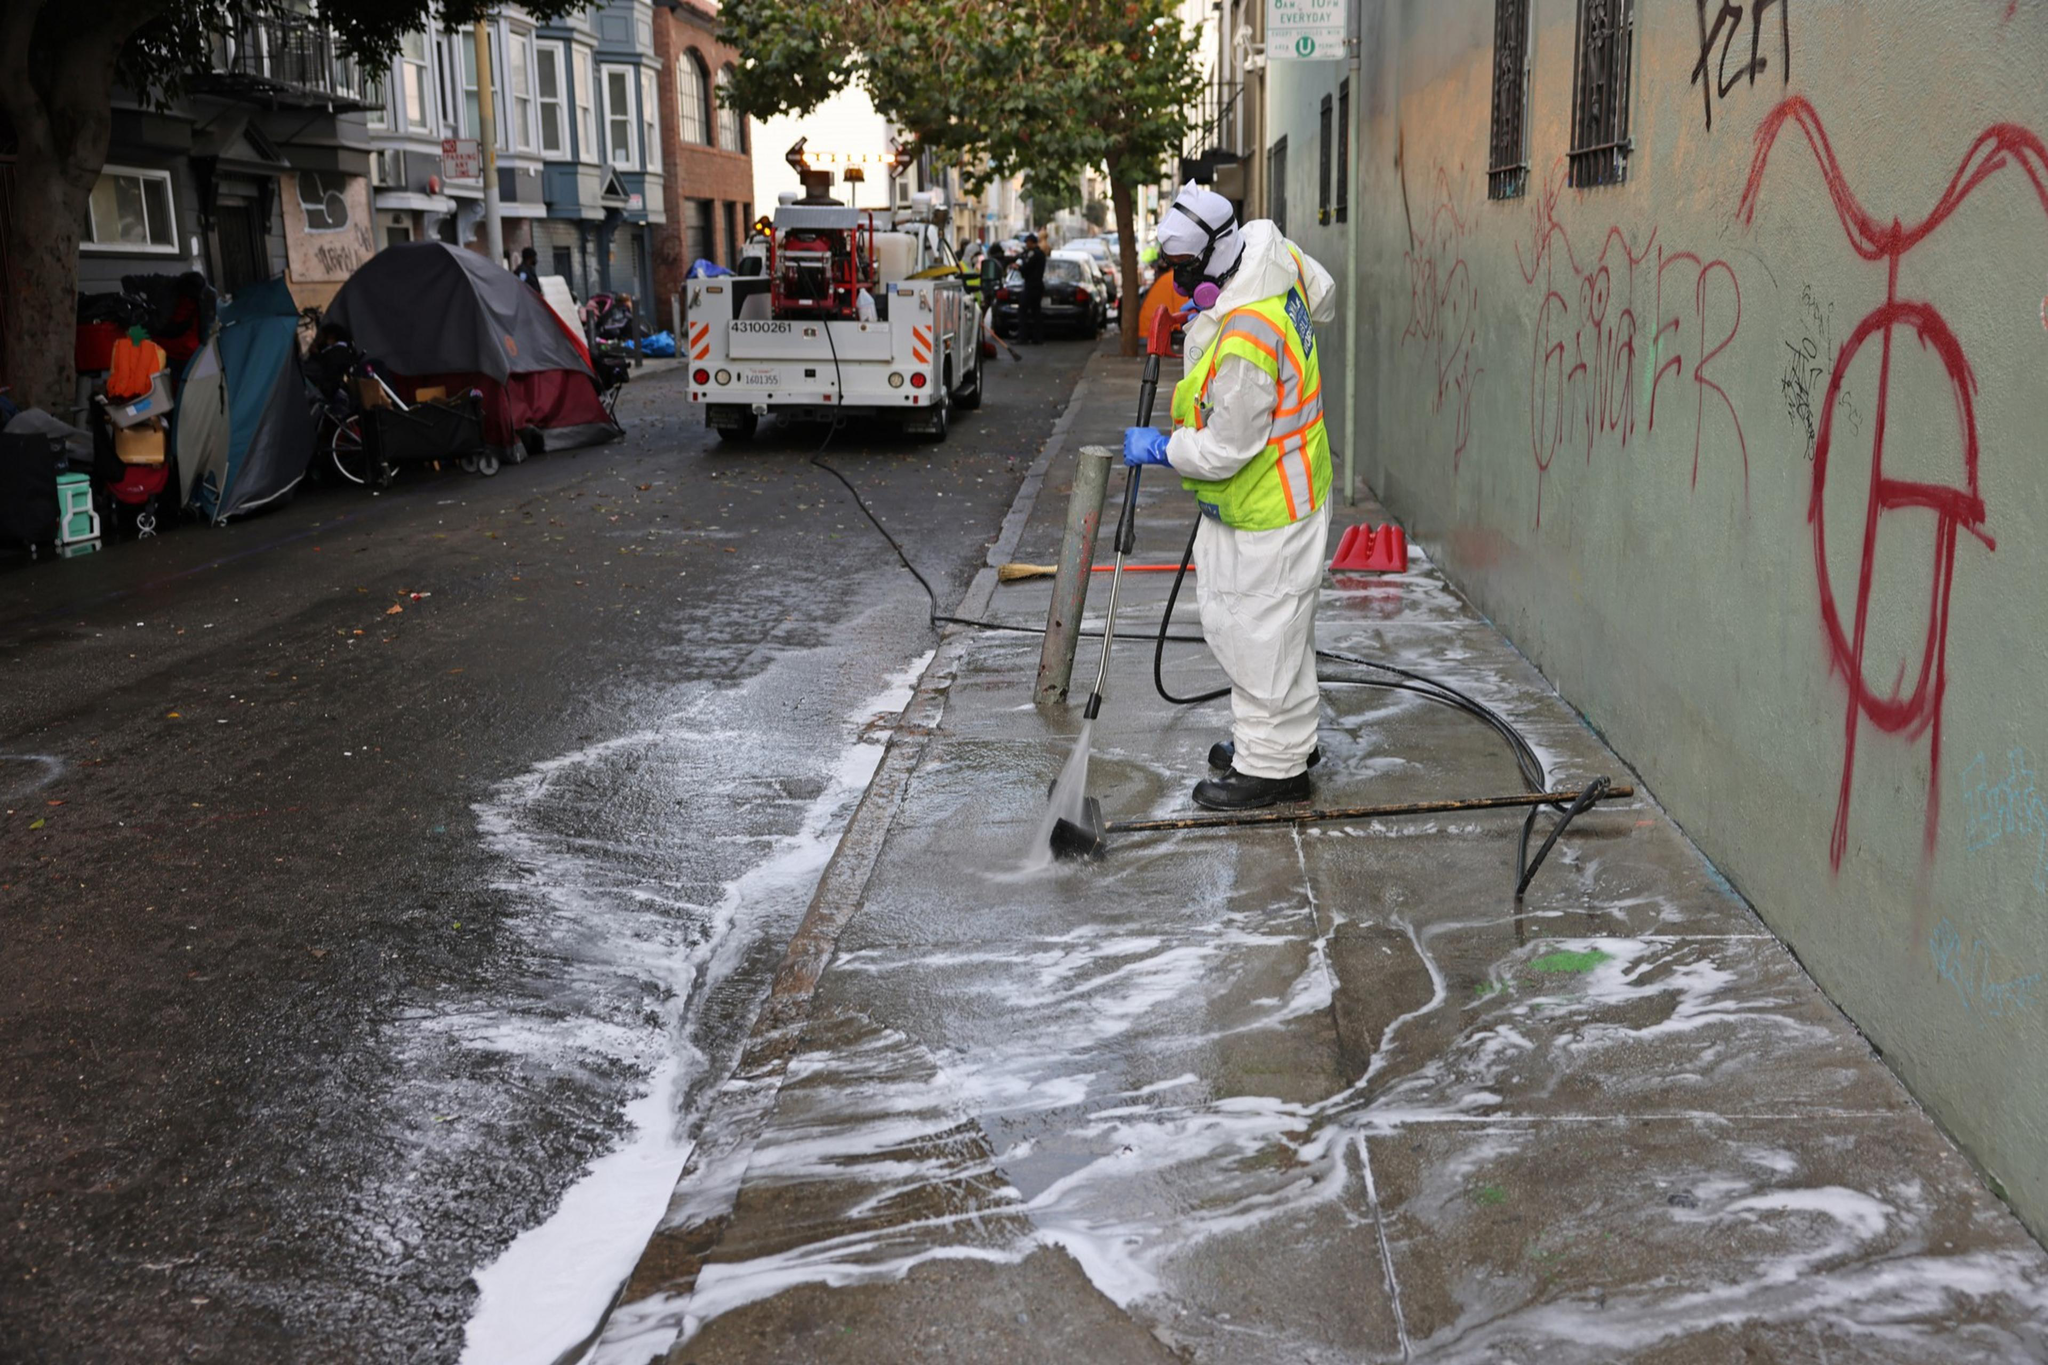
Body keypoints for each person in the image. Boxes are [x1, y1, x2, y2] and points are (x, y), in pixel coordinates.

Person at [1122, 183, 1337, 811]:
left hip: (1267, 500)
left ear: (1216, 254)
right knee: (1279, 628)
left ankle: (1272, 771)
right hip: (1281, 491)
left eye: (1187, 272)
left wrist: (1162, 448)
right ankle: (1280, 743)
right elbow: (1320, 296)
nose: (1181, 284)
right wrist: (1208, 319)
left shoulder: (1246, 337)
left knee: (1257, 634)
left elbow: (1226, 447)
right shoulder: (1273, 251)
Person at [1017, 233, 1047, 344]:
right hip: (1038, 286)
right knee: (1036, 312)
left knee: (1023, 311)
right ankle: (1037, 338)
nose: (1026, 244)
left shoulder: (1033, 254)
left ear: (1031, 242)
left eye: (1027, 242)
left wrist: (1019, 267)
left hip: (1031, 285)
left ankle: (1023, 337)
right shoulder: (1040, 254)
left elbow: (1026, 268)